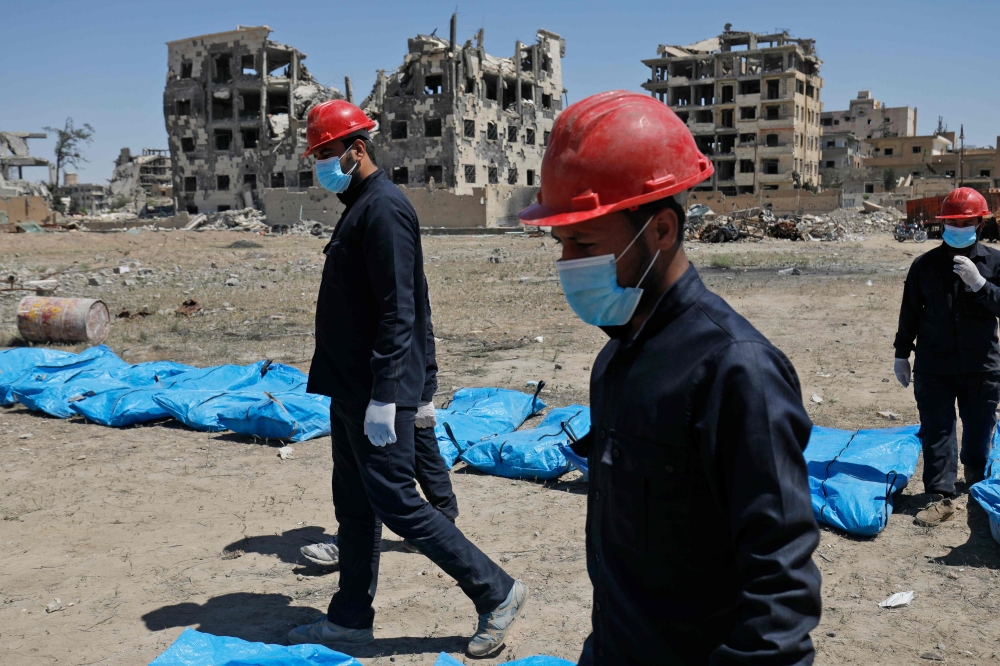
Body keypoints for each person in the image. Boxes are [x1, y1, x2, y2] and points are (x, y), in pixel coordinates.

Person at [518, 91, 822, 665]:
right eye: (560, 245)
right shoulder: (617, 357)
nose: (567, 265)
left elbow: (780, 589)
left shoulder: (736, 370)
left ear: (660, 230)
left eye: (583, 243)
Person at [289, 100, 526, 658]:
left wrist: (389, 395)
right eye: (316, 156)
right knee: (353, 505)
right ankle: (349, 621)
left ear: (358, 150)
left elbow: (402, 309)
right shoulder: (358, 205)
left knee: (396, 501)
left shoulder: (385, 209)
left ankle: (498, 591)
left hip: (378, 391)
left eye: (326, 154)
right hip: (349, 388)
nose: (321, 164)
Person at [300, 299, 458, 566]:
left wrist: (423, 387)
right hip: (374, 379)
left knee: (401, 457)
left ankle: (440, 520)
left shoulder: (392, 264)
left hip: (394, 381)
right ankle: (437, 521)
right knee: (409, 447)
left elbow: (416, 324)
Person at [893, 187, 1000, 527]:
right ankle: (940, 494)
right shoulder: (924, 265)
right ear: (942, 225)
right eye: (952, 222)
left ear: (979, 223)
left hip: (981, 365)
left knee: (980, 428)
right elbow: (909, 312)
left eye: (965, 221)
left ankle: (976, 479)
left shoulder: (995, 262)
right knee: (938, 428)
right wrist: (901, 354)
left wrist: (981, 284)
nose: (958, 227)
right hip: (933, 364)